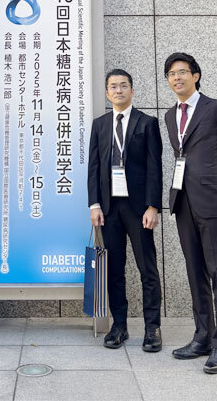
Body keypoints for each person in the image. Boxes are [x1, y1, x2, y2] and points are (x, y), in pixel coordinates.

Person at [164, 52, 217, 374]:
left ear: (195, 76)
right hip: (183, 201)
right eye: (171, 74)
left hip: (214, 203)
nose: (176, 78)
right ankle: (203, 336)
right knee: (195, 270)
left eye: (182, 72)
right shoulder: (169, 115)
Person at [88, 69, 163, 352]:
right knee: (114, 270)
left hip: (138, 208)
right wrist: (94, 204)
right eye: (113, 87)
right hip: (109, 208)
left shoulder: (147, 123)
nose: (118, 91)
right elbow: (94, 166)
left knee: (147, 268)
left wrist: (153, 206)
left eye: (123, 86)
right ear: (107, 93)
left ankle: (152, 328)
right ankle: (119, 325)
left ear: (132, 90)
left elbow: (155, 166)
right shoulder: (100, 124)